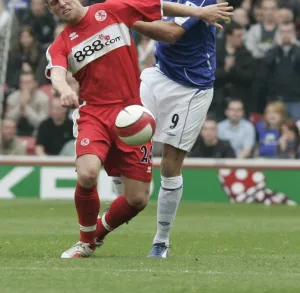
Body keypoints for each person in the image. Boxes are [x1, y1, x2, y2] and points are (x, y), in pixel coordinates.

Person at [45, 0, 233, 258]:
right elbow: (56, 71)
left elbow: (161, 7)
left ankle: (107, 229)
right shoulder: (61, 43)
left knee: (138, 200)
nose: (62, 4)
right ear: (51, 10)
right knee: (87, 174)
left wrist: (199, 12)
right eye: (53, 3)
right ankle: (85, 242)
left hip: (131, 111)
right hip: (94, 114)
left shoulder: (111, 9)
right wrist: (65, 89)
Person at [119, 0, 232, 258]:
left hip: (192, 87)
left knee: (170, 165)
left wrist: (123, 17)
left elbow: (170, 34)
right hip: (160, 73)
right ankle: (120, 199)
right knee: (122, 124)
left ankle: (161, 240)